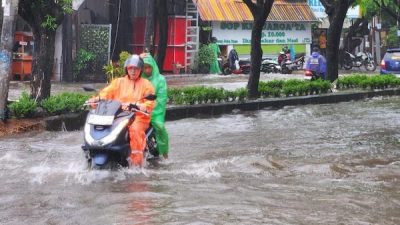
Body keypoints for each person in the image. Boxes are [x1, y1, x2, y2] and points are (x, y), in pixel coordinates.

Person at [90, 54, 155, 167]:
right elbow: (107, 93)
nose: (133, 71)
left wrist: (142, 106)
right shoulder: (118, 82)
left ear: (140, 70)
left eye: (136, 69)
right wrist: (97, 99)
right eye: (131, 68)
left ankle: (136, 163)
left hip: (138, 116)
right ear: (126, 69)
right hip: (118, 114)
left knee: (135, 130)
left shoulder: (146, 85)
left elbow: (150, 101)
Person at [140, 53, 169, 159]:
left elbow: (161, 99)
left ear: (153, 67)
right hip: (140, 111)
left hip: (156, 112)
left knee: (160, 128)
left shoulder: (160, 79)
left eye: (149, 67)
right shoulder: (139, 79)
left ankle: (165, 153)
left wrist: (150, 109)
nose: (147, 70)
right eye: (144, 67)